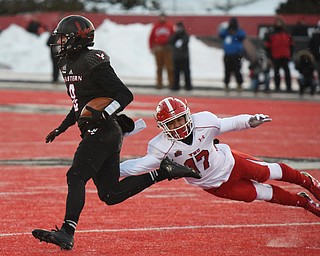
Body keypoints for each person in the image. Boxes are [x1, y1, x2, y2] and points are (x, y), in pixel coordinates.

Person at [31, 15, 200, 251]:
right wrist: (63, 126)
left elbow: (124, 94)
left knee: (76, 175)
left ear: (76, 40)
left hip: (103, 130)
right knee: (109, 194)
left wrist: (104, 114)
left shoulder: (92, 61)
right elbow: (81, 103)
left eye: (63, 38)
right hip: (105, 133)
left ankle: (67, 231)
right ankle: (163, 172)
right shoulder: (67, 63)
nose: (59, 42)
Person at [120, 97, 320, 219]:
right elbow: (138, 166)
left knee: (269, 172)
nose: (179, 125)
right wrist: (109, 168)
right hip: (216, 185)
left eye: (180, 119)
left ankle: (307, 181)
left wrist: (249, 120)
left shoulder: (204, 121)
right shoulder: (160, 146)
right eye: (172, 123)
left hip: (232, 163)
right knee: (262, 194)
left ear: (188, 115)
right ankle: (304, 203)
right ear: (163, 127)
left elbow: (228, 124)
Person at [265, 17, 294, 92]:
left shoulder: (286, 32)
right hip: (275, 55)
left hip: (285, 55)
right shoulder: (271, 33)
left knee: (287, 72)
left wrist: (290, 54)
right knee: (276, 72)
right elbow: (268, 46)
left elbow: (291, 44)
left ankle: (289, 87)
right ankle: (277, 86)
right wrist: (270, 56)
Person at [219, 17, 246, 92]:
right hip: (227, 54)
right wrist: (228, 30)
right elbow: (221, 34)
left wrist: (236, 31)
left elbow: (243, 35)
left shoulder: (238, 32)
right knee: (227, 71)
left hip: (236, 54)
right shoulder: (227, 32)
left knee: (237, 70)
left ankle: (239, 85)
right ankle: (226, 85)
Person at [149, 13, 174, 89]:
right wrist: (151, 47)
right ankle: (159, 84)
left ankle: (171, 83)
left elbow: (174, 37)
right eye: (161, 17)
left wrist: (172, 47)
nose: (162, 19)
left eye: (164, 17)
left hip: (167, 49)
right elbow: (151, 38)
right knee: (159, 67)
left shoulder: (170, 26)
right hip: (158, 49)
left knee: (169, 67)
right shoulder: (156, 26)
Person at [169, 21, 192, 91]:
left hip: (184, 57)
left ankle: (188, 86)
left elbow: (185, 41)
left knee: (186, 73)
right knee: (176, 73)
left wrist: (180, 39)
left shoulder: (185, 35)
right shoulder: (174, 35)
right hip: (176, 57)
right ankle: (176, 86)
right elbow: (170, 41)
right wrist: (176, 36)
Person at [308, 20, 320, 88]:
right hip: (317, 57)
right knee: (317, 71)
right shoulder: (315, 36)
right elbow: (310, 47)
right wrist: (312, 54)